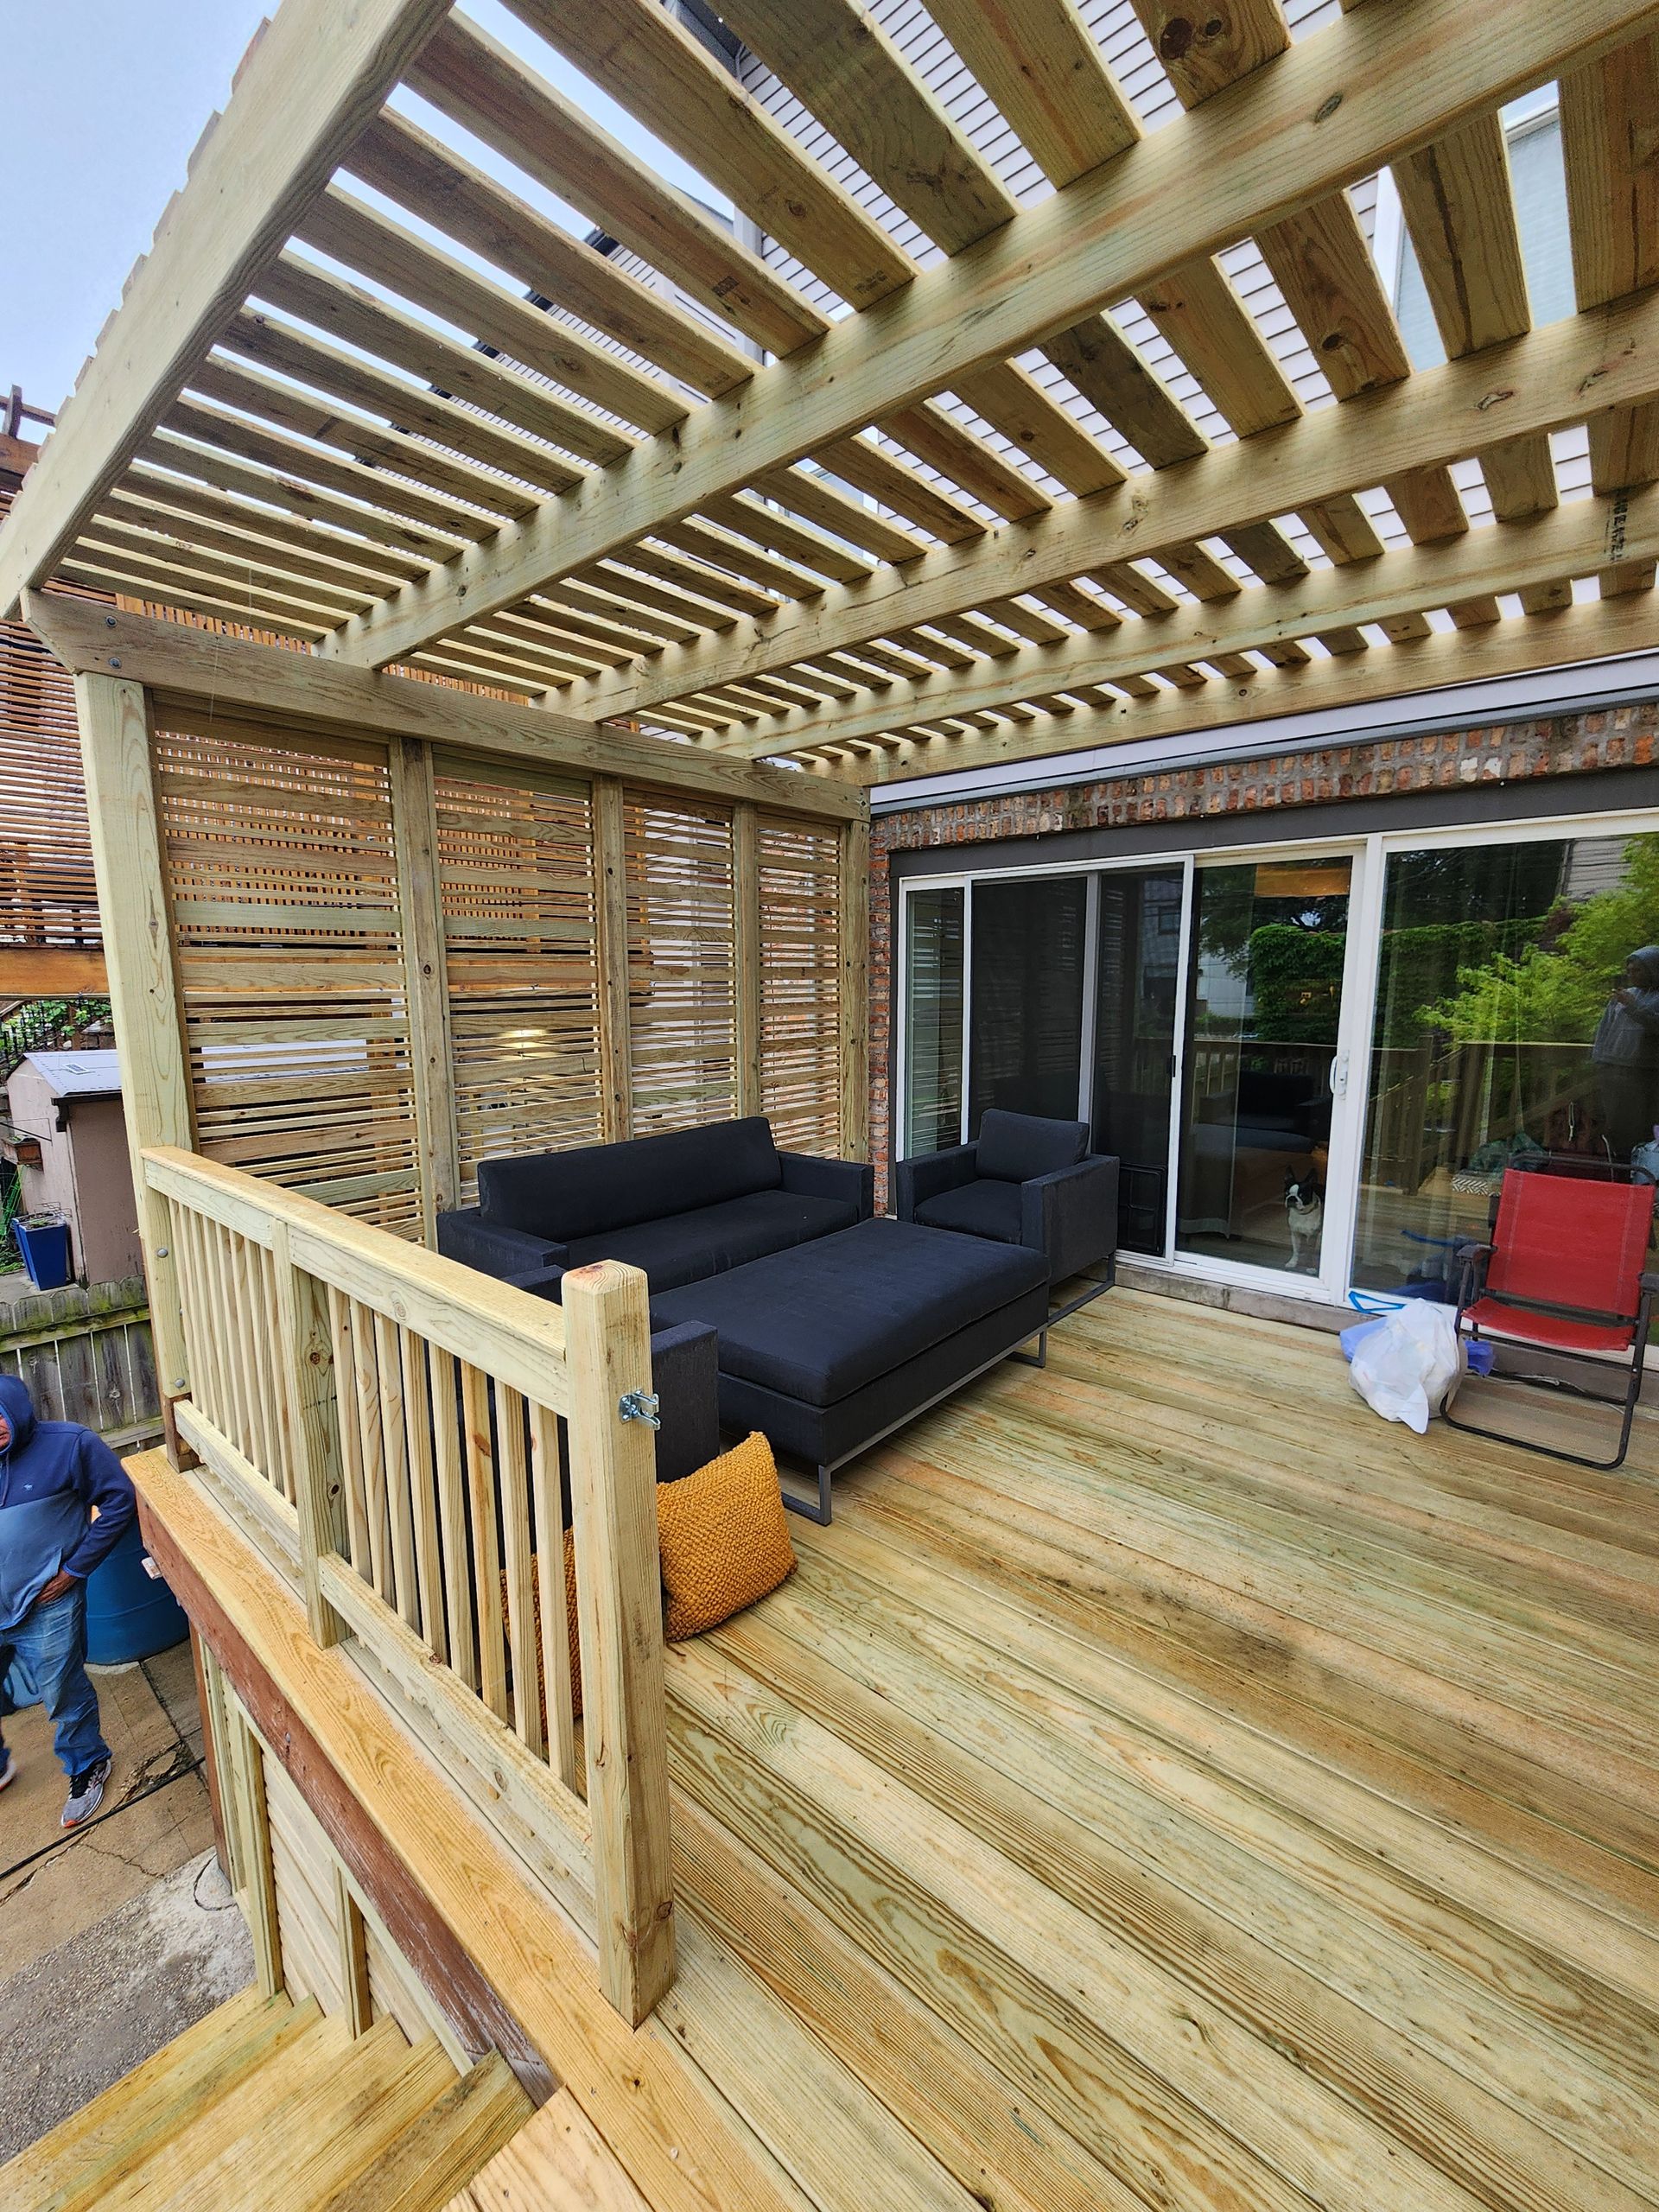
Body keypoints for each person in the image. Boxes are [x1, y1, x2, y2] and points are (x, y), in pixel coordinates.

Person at [0, 1373, 136, 1828]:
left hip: (48, 1605)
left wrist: (75, 1570)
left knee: (62, 1693)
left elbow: (118, 1501)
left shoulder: (70, 1445)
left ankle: (87, 1764)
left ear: (16, 1410)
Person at [1592, 946, 1659, 1162]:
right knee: (1615, 1125)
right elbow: (1605, 1029)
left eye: (1638, 970)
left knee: (1641, 1128)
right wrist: (1599, 1058)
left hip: (1645, 1074)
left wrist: (1634, 1007)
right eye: (1629, 970)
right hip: (1613, 1070)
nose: (1631, 974)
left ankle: (1641, 1171)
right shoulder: (1625, 996)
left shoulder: (1647, 999)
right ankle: (1617, 1169)